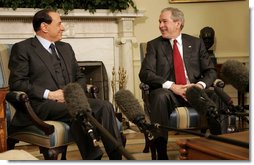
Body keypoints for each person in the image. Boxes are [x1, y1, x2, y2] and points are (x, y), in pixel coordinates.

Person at [8, 9, 123, 160]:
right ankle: (93, 158)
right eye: (59, 23)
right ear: (44, 27)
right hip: (41, 104)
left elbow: (80, 77)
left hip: (69, 100)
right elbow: (17, 83)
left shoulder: (65, 47)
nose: (63, 27)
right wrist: (50, 94)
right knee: (78, 112)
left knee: (105, 106)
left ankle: (116, 158)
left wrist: (72, 94)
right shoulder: (23, 48)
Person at [139, 7, 221, 160]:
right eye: (159, 22)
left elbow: (211, 71)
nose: (160, 25)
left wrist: (199, 86)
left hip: (194, 91)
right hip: (169, 93)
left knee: (216, 95)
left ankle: (218, 147)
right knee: (159, 97)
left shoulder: (196, 43)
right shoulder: (154, 45)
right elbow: (145, 73)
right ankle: (162, 153)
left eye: (164, 21)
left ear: (178, 23)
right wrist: (171, 86)